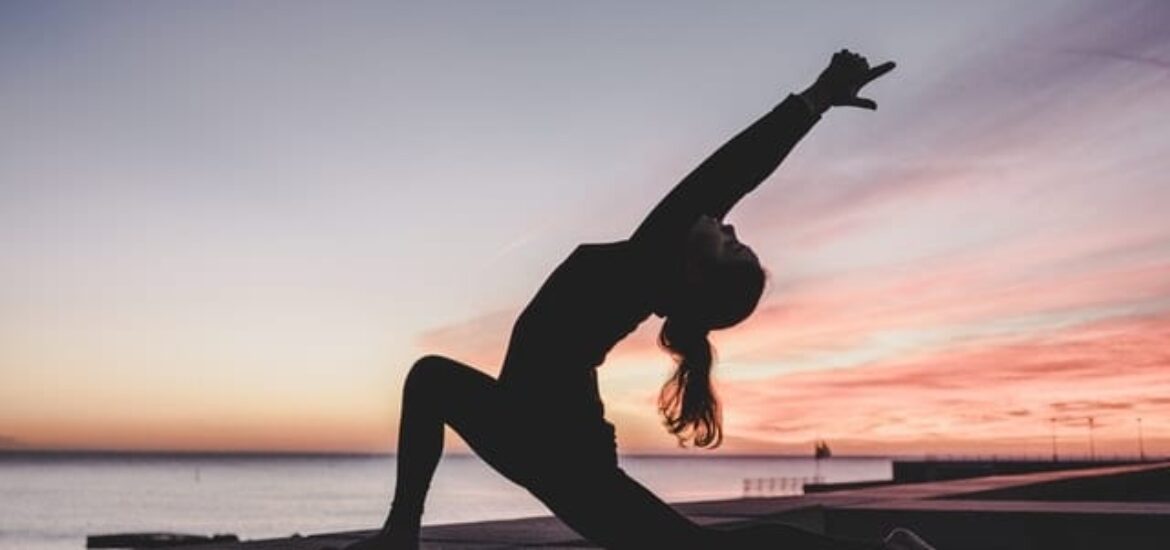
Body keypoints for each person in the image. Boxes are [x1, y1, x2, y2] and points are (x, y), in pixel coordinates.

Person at [349, 50, 931, 550]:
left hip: (554, 444)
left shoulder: (651, 259)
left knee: (690, 547)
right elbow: (723, 185)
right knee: (429, 380)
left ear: (696, 277)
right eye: (734, 237)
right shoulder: (654, 267)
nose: (728, 229)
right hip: (536, 431)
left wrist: (815, 99)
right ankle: (401, 534)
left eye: (733, 246)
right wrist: (815, 100)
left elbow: (730, 171)